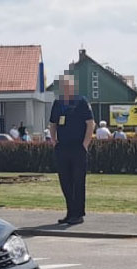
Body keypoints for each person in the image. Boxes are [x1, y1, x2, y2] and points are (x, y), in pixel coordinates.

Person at [49, 74, 96, 225]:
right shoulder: (58, 103)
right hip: (62, 147)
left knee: (78, 181)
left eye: (69, 86)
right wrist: (54, 141)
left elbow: (90, 123)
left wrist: (85, 144)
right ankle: (70, 212)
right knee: (65, 181)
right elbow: (53, 124)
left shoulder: (81, 102)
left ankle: (78, 214)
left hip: (78, 147)